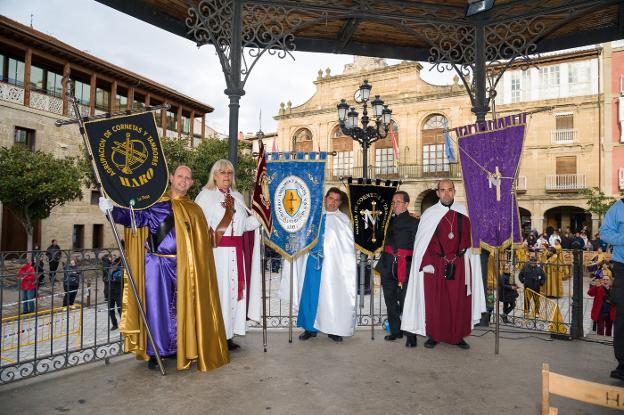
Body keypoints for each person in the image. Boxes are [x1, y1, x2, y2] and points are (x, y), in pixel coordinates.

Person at [100, 165, 229, 372]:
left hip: (186, 267)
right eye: (180, 176)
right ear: (171, 178)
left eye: (188, 178)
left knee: (182, 308)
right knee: (157, 309)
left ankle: (180, 347)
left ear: (192, 183)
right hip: (157, 265)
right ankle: (156, 352)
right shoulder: (155, 203)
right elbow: (135, 218)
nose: (184, 181)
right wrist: (111, 211)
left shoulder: (194, 210)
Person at [401, 179, 486, 350]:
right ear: (438, 193)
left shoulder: (465, 212)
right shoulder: (429, 214)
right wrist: (427, 263)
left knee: (459, 301)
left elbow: (472, 241)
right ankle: (435, 335)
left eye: (449, 190)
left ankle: (458, 336)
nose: (446, 193)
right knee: (436, 302)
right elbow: (422, 244)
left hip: (460, 265)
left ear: (454, 191)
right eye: (443, 190)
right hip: (436, 266)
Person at [195, 159, 261, 351]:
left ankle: (228, 336)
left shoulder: (238, 197)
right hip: (217, 255)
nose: (226, 176)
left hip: (237, 253)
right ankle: (215, 334)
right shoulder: (205, 196)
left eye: (229, 173)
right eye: (222, 172)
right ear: (214, 176)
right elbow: (199, 227)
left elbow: (245, 226)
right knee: (220, 293)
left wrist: (262, 217)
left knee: (234, 294)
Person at [296, 187, 357, 342]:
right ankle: (310, 329)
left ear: (340, 203)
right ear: (325, 199)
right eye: (331, 198)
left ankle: (333, 328)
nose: (333, 202)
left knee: (333, 296)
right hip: (314, 262)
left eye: (337, 200)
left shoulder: (343, 220)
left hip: (334, 267)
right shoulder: (313, 217)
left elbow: (347, 248)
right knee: (311, 295)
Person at [378, 190, 419, 347]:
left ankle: (411, 334)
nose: (395, 205)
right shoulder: (387, 221)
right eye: (393, 202)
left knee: (406, 301)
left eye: (398, 202)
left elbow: (418, 246)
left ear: (406, 204)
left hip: (405, 265)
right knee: (390, 299)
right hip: (388, 264)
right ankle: (396, 331)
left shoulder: (414, 222)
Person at [600, 198, 624, 381]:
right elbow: (604, 233)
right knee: (623, 317)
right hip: (623, 267)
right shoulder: (618, 207)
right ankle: (623, 364)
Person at [104, 255, 123, 330]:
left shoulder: (121, 271)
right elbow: (106, 281)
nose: (113, 267)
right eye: (112, 266)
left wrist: (114, 280)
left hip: (118, 293)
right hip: (110, 293)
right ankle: (114, 324)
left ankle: (123, 323)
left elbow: (120, 280)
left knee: (120, 309)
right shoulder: (110, 272)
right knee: (111, 310)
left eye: (114, 265)